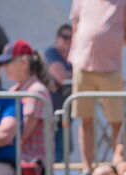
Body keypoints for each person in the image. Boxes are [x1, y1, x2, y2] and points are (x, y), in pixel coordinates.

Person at [69, 0, 126, 175]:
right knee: (85, 119)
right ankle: (86, 169)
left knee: (116, 122)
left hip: (110, 68)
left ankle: (118, 166)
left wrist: (106, 41)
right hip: (82, 64)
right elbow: (76, 26)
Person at [0, 40, 55, 175]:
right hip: (16, 158)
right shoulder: (16, 91)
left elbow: (20, 134)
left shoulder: (36, 91)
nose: (4, 67)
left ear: (24, 62)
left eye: (8, 62)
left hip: (31, 161)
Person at [44, 24, 74, 162]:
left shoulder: (72, 57)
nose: (69, 40)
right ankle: (52, 172)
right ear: (58, 38)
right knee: (57, 149)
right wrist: (79, 76)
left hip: (66, 112)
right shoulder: (51, 53)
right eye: (65, 37)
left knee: (66, 147)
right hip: (53, 112)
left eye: (72, 37)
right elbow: (61, 77)